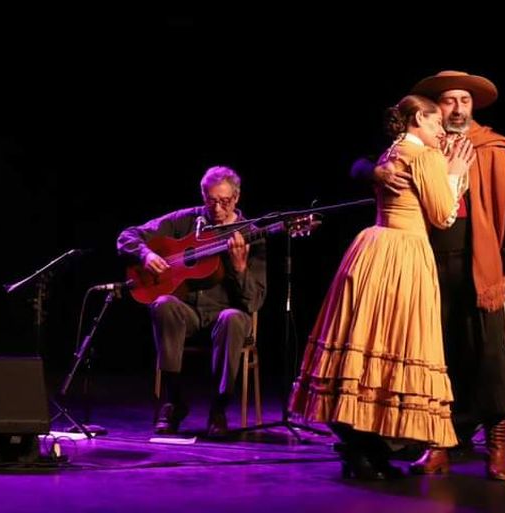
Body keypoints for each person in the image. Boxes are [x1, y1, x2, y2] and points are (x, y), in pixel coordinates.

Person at [289, 95, 473, 479]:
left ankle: (364, 450)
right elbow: (443, 216)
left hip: (374, 247)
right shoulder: (425, 155)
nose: (442, 129)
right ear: (417, 119)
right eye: (435, 120)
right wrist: (455, 173)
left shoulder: (393, 150)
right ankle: (364, 450)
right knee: (391, 345)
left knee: (370, 348)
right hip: (403, 254)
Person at [358, 71, 505, 480]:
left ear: (473, 107)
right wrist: (373, 173)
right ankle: (438, 446)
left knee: (489, 356)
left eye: (465, 101)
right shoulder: (423, 144)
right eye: (449, 101)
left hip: (478, 261)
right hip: (428, 261)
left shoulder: (491, 147)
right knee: (435, 355)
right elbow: (361, 162)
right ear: (436, 108)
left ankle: (496, 448)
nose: (457, 108)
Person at [117, 165, 266, 436]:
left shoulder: (250, 234)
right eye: (211, 200)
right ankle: (174, 400)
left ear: (237, 197)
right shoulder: (186, 220)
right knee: (163, 304)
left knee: (231, 319)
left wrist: (241, 268)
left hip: (228, 315)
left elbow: (254, 301)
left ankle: (219, 409)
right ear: (203, 196)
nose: (217, 208)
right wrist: (146, 255)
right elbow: (127, 236)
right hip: (189, 313)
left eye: (225, 201)